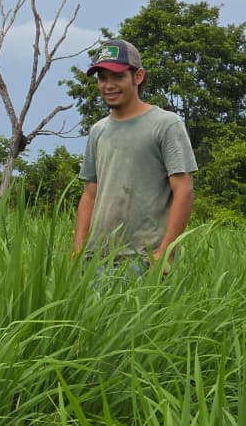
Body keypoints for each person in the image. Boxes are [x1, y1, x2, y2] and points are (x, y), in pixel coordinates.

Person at [72, 38, 197, 274]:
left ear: (137, 77)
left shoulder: (165, 124)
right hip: (95, 261)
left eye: (117, 77)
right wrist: (79, 249)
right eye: (102, 78)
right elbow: (90, 194)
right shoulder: (98, 130)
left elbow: (184, 189)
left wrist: (166, 252)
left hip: (143, 260)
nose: (108, 85)